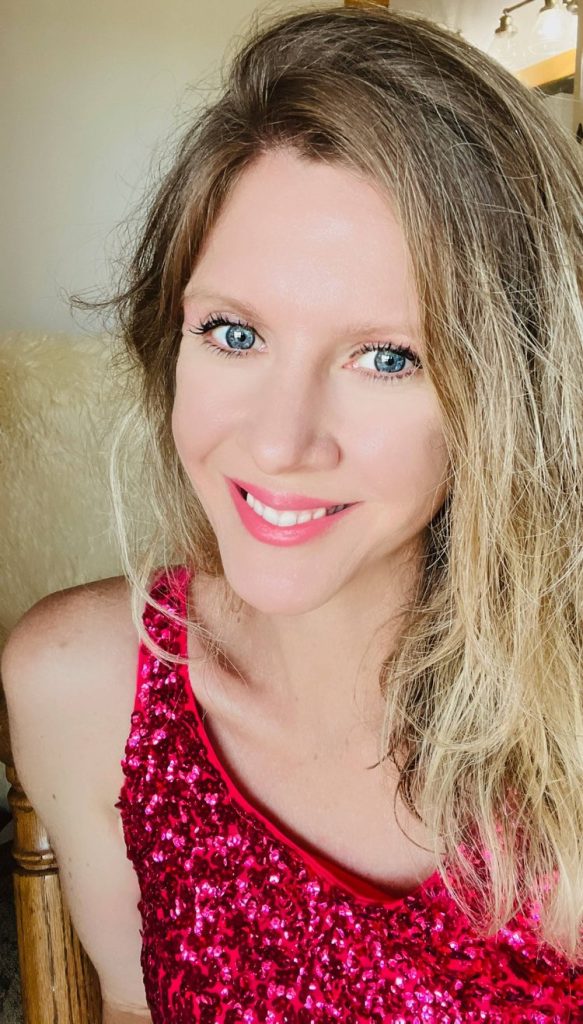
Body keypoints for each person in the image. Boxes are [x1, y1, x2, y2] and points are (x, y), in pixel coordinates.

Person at [3, 3, 583, 1021]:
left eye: (386, 356)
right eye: (234, 333)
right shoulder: (76, 687)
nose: (278, 443)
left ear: (508, 399)